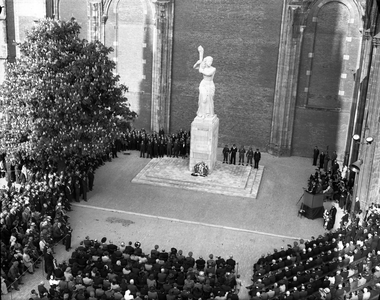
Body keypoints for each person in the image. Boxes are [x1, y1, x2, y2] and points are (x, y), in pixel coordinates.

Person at [193, 46, 216, 118]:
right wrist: (197, 63)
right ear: (206, 62)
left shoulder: (213, 69)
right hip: (203, 84)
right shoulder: (203, 67)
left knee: (209, 100)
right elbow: (194, 67)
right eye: (208, 61)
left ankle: (208, 114)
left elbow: (208, 74)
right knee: (203, 98)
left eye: (211, 61)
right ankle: (201, 113)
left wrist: (201, 69)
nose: (210, 62)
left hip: (210, 85)